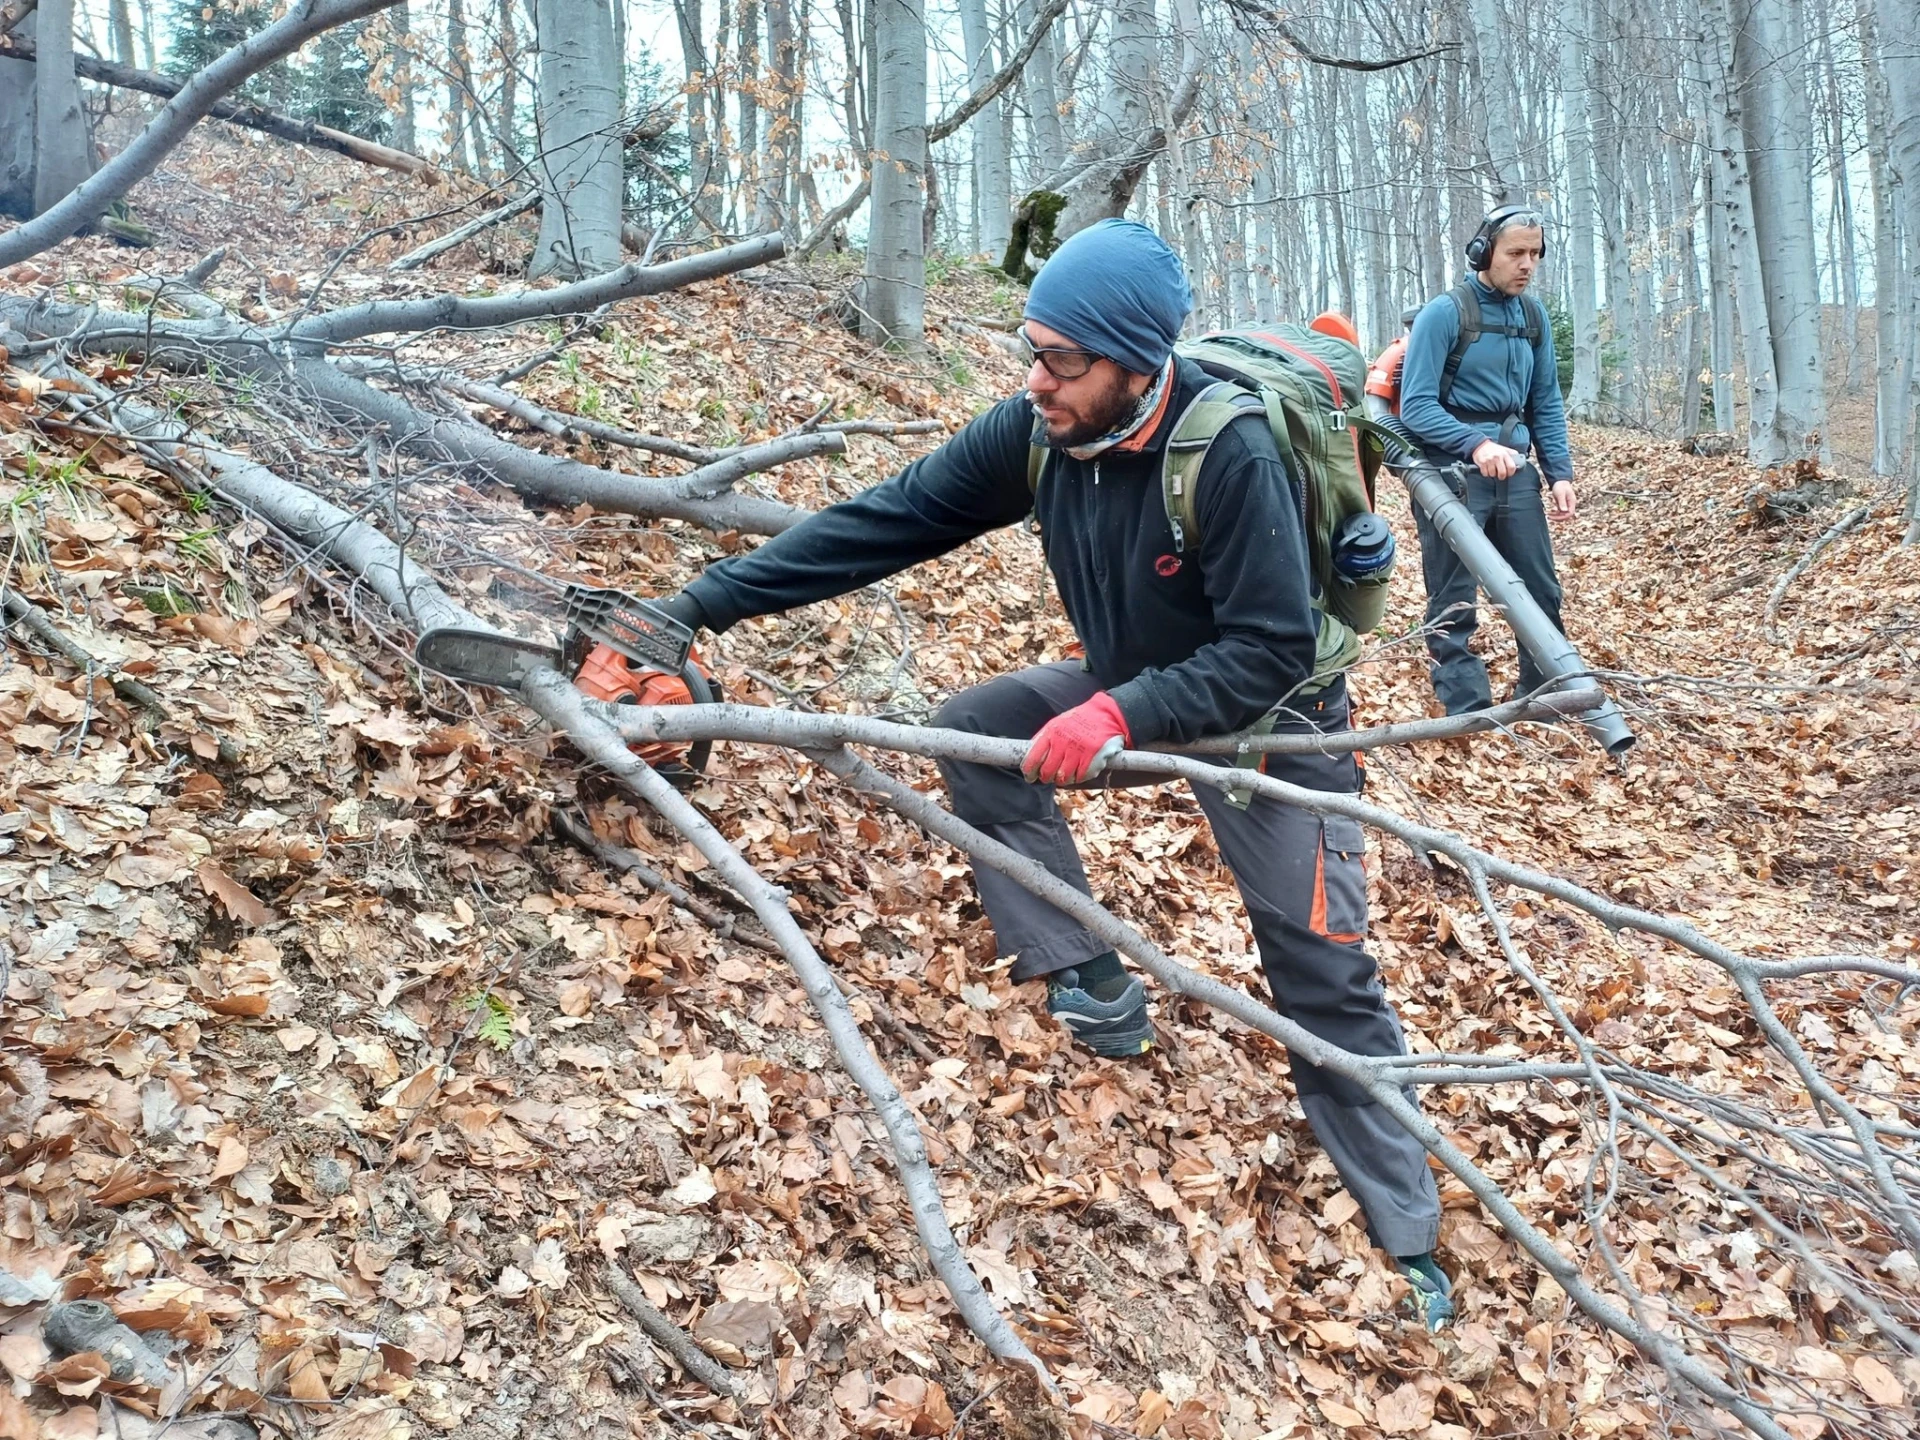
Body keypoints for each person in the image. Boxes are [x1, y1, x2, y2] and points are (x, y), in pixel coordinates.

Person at [653, 220, 1451, 1328]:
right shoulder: (1039, 434)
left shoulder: (1231, 452)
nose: (1038, 380)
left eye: (1064, 362)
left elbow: (1270, 645)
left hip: (1271, 724)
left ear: (1136, 365)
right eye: (1034, 351)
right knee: (979, 733)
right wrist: (696, 605)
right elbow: (888, 519)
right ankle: (1093, 980)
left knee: (1320, 967)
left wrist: (1123, 708)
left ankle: (1408, 1234)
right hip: (1134, 687)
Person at [1398, 205, 1577, 715]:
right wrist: (1475, 445)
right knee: (1454, 595)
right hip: (1452, 477)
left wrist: (1559, 472)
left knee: (1540, 589)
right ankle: (1465, 707)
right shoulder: (1445, 313)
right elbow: (1416, 407)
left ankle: (1541, 696)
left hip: (1516, 473)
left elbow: (1545, 401)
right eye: (1515, 253)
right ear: (1484, 253)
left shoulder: (1533, 317)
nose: (1527, 264)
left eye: (1535, 254)